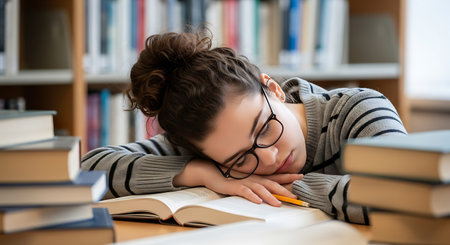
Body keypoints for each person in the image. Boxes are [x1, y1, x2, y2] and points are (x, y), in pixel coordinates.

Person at [81, 30, 407, 225]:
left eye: (264, 128)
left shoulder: (358, 110)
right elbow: (88, 168)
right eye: (239, 160)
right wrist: (203, 173)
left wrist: (293, 190)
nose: (267, 160)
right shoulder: (210, 149)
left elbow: (406, 196)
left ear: (273, 88)